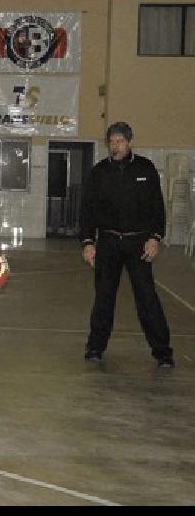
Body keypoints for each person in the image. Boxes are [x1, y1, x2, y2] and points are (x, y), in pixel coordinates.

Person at [79, 122, 174, 368]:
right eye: (112, 142)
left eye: (120, 141)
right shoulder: (99, 172)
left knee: (147, 297)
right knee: (104, 297)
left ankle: (162, 351)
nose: (116, 146)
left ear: (129, 142)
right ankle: (95, 347)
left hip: (138, 244)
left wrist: (155, 238)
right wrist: (88, 242)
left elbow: (157, 208)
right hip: (108, 243)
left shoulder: (145, 168)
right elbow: (87, 210)